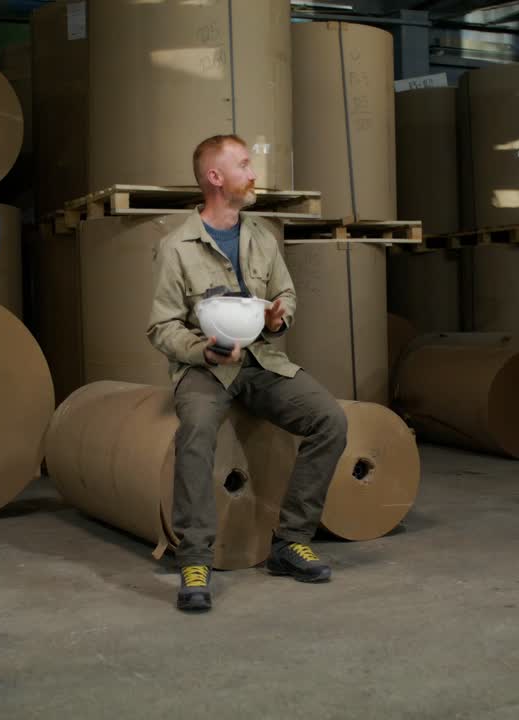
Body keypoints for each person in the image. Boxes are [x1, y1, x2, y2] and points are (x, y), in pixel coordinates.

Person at [146, 134, 349, 612]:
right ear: (215, 177)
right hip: (206, 366)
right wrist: (202, 350)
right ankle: (195, 558)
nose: (253, 174)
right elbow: (161, 326)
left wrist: (279, 318)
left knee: (330, 421)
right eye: (243, 165)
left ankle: (291, 540)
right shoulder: (176, 246)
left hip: (262, 361)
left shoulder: (262, 237)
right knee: (195, 430)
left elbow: (287, 295)